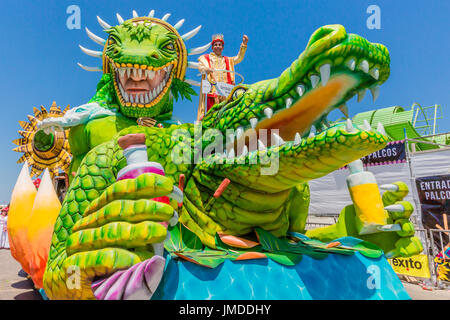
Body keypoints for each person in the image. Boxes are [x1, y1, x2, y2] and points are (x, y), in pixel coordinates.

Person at [198, 34, 249, 111]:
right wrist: (206, 69)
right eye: (215, 45)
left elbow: (239, 58)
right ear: (212, 47)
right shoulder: (206, 58)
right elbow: (200, 67)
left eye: (219, 45)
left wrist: (244, 45)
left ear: (222, 47)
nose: (217, 46)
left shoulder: (228, 60)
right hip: (213, 89)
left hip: (225, 89)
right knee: (213, 111)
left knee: (226, 110)